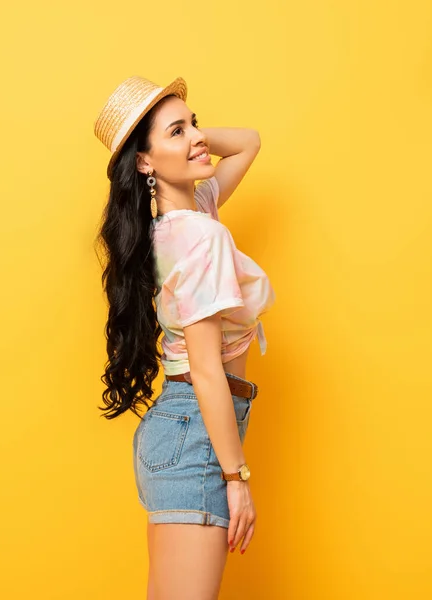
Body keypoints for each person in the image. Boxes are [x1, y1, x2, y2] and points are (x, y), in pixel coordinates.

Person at [93, 75, 276, 599]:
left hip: (180, 431)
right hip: (197, 436)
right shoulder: (200, 235)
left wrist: (181, 138)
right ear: (145, 164)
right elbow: (204, 367)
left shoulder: (190, 216)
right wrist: (236, 480)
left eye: (194, 122)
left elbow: (249, 141)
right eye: (177, 130)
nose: (198, 136)